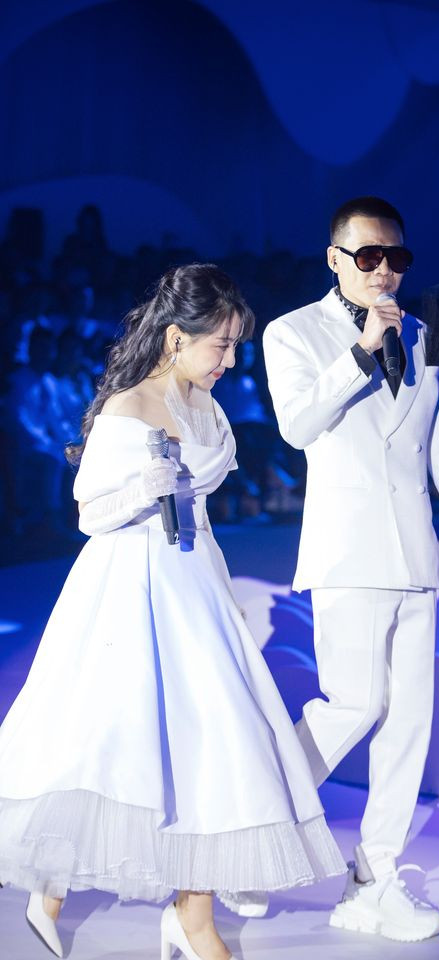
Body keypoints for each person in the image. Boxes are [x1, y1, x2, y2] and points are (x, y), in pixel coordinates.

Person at [0, 263, 344, 960]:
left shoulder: (208, 407)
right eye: (221, 345)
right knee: (111, 736)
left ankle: (191, 915)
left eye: (234, 346)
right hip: (132, 585)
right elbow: (90, 514)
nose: (230, 361)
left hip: (196, 579)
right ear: (176, 337)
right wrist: (141, 489)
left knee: (214, 742)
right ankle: (55, 880)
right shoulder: (127, 407)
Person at [262, 197, 439, 943]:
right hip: (348, 555)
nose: (384, 270)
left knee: (409, 722)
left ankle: (374, 879)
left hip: (415, 557)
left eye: (396, 257)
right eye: (368, 256)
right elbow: (297, 426)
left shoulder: (419, 334)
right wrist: (360, 351)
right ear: (335, 259)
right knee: (353, 705)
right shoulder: (293, 332)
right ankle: (250, 827)